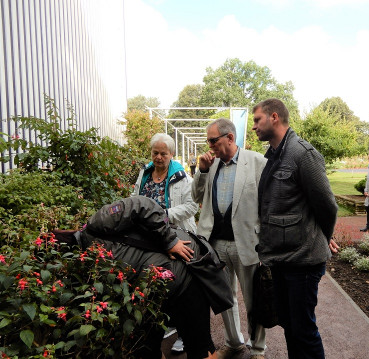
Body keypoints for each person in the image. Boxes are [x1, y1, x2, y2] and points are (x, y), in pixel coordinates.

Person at [54, 196, 228, 359]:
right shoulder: (84, 271)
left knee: (198, 345)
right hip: (153, 293)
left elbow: (143, 205)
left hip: (183, 275)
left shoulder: (97, 223)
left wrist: (170, 241)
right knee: (146, 348)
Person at [251, 98, 339, 359]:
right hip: (281, 258)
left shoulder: (303, 154)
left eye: (257, 120)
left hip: (302, 260)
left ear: (274, 117)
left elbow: (327, 206)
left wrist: (325, 236)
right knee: (290, 326)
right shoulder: (274, 155)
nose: (254, 126)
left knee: (303, 330)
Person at [192, 118, 267, 359]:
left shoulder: (256, 162)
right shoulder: (210, 164)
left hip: (247, 242)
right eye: (208, 141)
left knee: (253, 299)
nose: (209, 146)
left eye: (213, 140)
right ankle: (234, 342)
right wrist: (202, 171)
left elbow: (269, 202)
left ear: (230, 138)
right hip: (215, 244)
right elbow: (196, 196)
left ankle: (257, 349)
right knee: (225, 297)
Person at [132, 133, 198, 351]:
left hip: (177, 236)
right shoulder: (145, 173)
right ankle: (165, 326)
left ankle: (184, 335)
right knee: (157, 283)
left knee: (180, 285)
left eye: (163, 153)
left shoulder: (181, 176)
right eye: (155, 153)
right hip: (150, 238)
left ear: (171, 154)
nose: (158, 157)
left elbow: (192, 206)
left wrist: (164, 214)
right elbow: (135, 198)